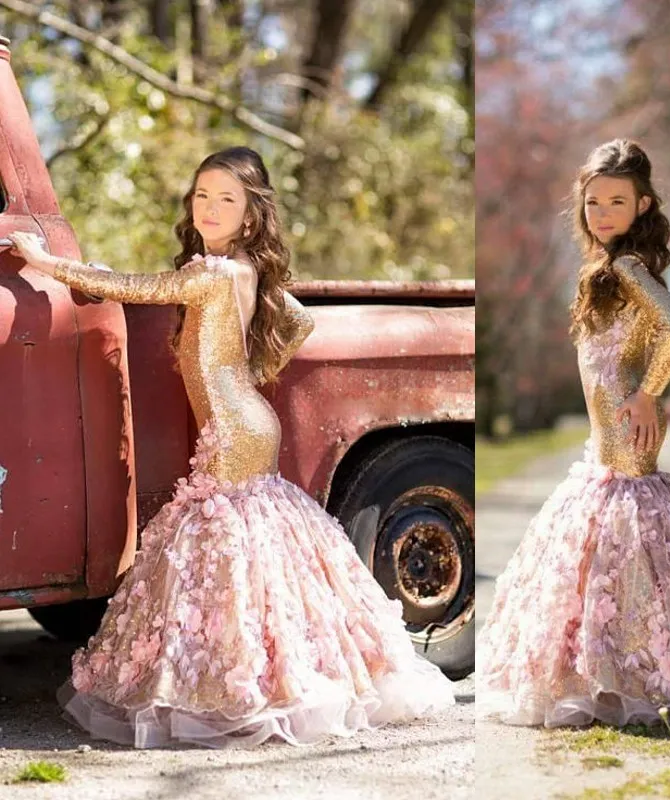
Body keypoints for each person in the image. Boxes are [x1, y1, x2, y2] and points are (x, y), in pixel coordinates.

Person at [9, 146, 454, 749]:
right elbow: (298, 321)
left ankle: (249, 681)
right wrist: (250, 370)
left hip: (233, 426)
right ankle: (273, 667)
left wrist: (43, 260)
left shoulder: (212, 273)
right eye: (202, 195)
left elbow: (129, 287)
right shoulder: (240, 269)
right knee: (254, 547)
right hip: (249, 418)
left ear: (250, 216)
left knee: (224, 544)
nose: (210, 208)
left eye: (227, 199)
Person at [476, 139, 670, 728]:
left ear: (643, 206)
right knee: (612, 533)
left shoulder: (626, 266)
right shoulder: (605, 265)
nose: (601, 213)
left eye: (616, 202)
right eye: (592, 201)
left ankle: (636, 671)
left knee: (631, 532)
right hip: (609, 429)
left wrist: (647, 393)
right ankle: (612, 667)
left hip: (630, 420)